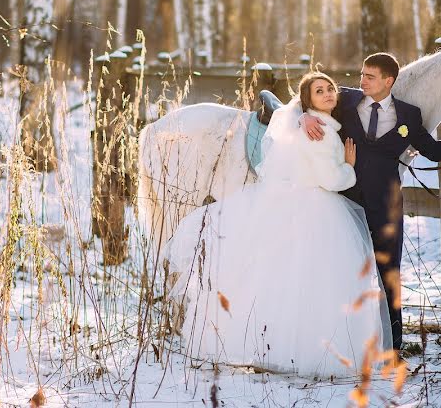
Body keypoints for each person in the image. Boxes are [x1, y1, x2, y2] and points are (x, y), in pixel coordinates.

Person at [163, 72, 392, 377]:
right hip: (319, 205)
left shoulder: (315, 124)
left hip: (301, 201)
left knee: (289, 280)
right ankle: (315, 350)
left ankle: (279, 344)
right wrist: (348, 166)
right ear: (307, 100)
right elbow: (331, 179)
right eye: (319, 91)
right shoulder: (321, 132)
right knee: (320, 282)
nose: (327, 94)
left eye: (329, 89)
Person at [300, 53, 441, 351]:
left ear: (389, 81)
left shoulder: (409, 115)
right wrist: (304, 116)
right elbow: (305, 100)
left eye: (370, 77)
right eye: (362, 74)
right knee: (343, 271)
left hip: (386, 205)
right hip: (345, 203)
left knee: (389, 273)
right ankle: (343, 341)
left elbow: (433, 150)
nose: (361, 80)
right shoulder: (345, 102)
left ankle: (393, 346)